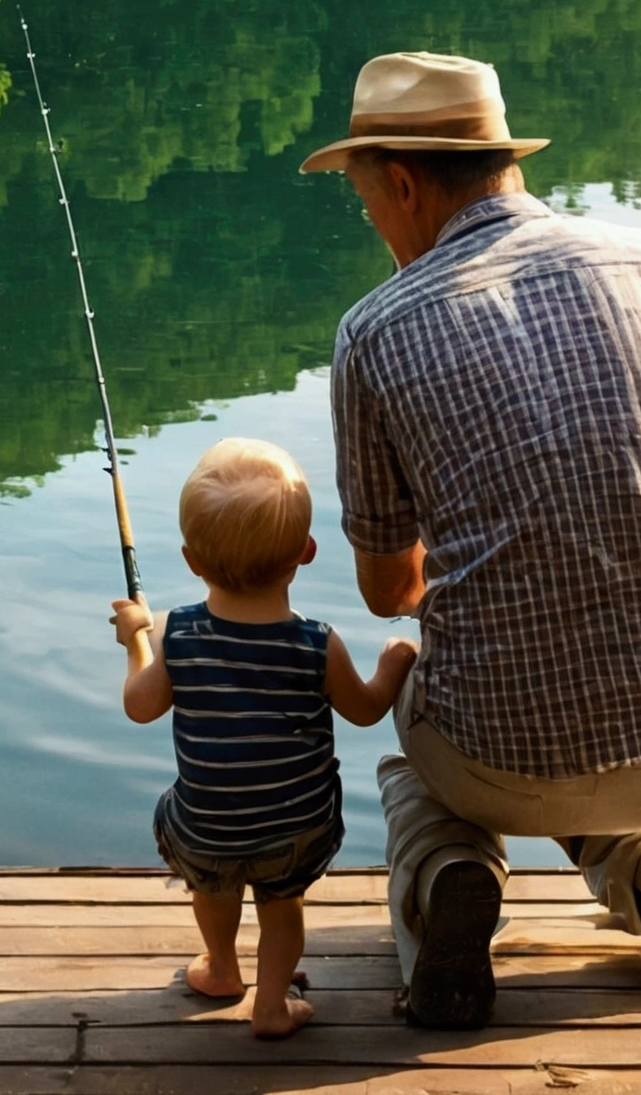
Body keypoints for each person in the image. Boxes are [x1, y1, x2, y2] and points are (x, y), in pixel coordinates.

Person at [301, 51, 641, 1032]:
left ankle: (444, 880)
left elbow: (390, 588)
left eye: (366, 204)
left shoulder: (375, 330)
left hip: (494, 750)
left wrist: (505, 553)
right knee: (585, 695)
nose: (375, 227)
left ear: (400, 182)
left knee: (413, 743)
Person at [110, 436, 417, 1039]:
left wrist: (135, 641)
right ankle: (272, 1003)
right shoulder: (315, 642)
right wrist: (394, 661)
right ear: (306, 552)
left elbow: (139, 706)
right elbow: (362, 711)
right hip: (295, 828)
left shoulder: (180, 636)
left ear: (192, 560)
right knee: (282, 905)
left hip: (206, 827)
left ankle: (222, 969)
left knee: (213, 883)